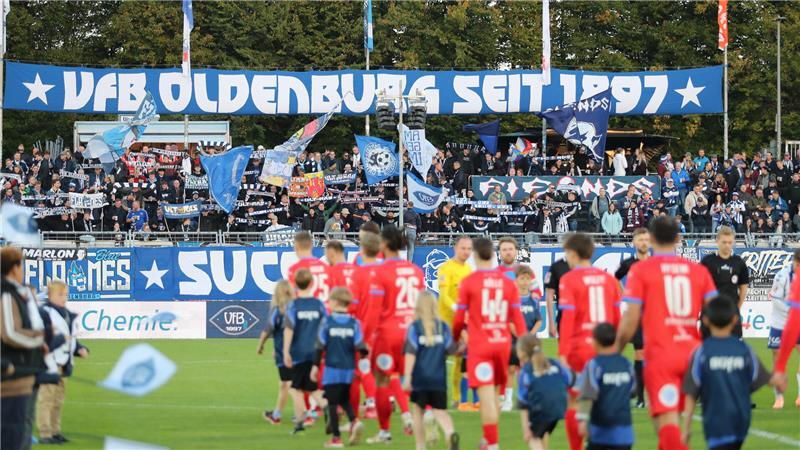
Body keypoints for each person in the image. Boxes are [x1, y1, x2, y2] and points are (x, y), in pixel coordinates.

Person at [615, 216, 717, 450]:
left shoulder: (642, 270)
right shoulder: (697, 271)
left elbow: (630, 319)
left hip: (662, 356)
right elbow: (714, 315)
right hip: (693, 355)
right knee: (682, 429)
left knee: (667, 423)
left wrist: (615, 351)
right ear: (678, 238)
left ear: (651, 238)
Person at [453, 237, 527, 450]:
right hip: (502, 343)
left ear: (475, 256)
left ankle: (492, 443)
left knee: (486, 396)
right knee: (495, 394)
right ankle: (489, 440)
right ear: (494, 256)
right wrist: (522, 342)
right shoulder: (507, 283)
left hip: (481, 346)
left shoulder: (469, 282)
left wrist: (454, 339)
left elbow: (459, 319)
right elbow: (517, 318)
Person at [557, 233, 622, 450]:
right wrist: (615, 350)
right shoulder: (609, 280)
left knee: (574, 402)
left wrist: (563, 354)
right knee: (602, 402)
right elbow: (616, 320)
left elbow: (567, 320)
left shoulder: (569, 279)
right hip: (605, 349)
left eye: (567, 252)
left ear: (573, 253)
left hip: (579, 349)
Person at [682, 297, 773, 450]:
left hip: (715, 421)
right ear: (735, 319)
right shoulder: (744, 350)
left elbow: (691, 393)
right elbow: (761, 379)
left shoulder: (701, 352)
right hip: (742, 421)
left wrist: (686, 428)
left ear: (705, 320)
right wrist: (777, 380)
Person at [366, 225, 424, 444]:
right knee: (410, 379)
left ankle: (384, 431)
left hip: (388, 334)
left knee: (382, 380)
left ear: (385, 244)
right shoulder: (416, 271)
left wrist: (365, 338)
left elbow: (373, 310)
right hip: (412, 333)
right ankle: (418, 418)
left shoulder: (380, 272)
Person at [402, 291, 460, 450]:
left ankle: (420, 446)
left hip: (420, 379)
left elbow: (410, 353)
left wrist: (407, 377)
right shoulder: (443, 327)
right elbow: (451, 350)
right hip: (439, 379)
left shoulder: (414, 328)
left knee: (418, 412)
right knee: (440, 411)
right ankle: (450, 433)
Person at [0, 247, 45, 450]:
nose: (23, 270)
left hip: (19, 373)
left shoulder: (15, 292)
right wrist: (37, 341)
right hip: (12, 376)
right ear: (14, 267)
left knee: (17, 428)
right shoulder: (6, 294)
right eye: (21, 265)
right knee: (12, 432)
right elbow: (10, 332)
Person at [313, 287, 367, 448]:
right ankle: (354, 421)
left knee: (332, 402)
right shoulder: (354, 323)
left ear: (335, 302)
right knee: (343, 398)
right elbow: (361, 347)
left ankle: (336, 438)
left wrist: (315, 366)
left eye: (330, 301)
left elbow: (319, 346)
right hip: (349, 369)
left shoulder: (327, 322)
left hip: (332, 368)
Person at [36, 281, 88, 445]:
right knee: (47, 398)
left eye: (65, 294)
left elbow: (71, 337)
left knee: (58, 399)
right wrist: (57, 341)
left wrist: (79, 348)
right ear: (50, 295)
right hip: (49, 362)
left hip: (64, 362)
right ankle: (45, 433)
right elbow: (40, 338)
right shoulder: (44, 313)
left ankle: (55, 431)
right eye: (60, 294)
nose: (64, 297)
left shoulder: (66, 313)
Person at [575, 323, 635, 450]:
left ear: (595, 342)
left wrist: (582, 420)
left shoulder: (594, 365)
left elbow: (587, 394)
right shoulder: (626, 363)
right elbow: (633, 390)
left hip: (601, 431)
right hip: (625, 431)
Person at [283, 269, 328, 434]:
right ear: (312, 284)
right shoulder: (319, 304)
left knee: (295, 389)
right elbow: (325, 327)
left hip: (299, 352)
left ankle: (300, 422)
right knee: (312, 388)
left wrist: (286, 351)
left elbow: (289, 329)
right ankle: (327, 408)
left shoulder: (293, 306)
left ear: (295, 284)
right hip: (316, 351)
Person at [516, 334, 573, 450]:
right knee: (543, 431)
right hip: (559, 406)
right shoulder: (554, 363)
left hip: (541, 406)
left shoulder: (525, 372)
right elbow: (570, 379)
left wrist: (526, 430)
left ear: (522, 352)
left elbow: (523, 403)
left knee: (533, 437)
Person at [614, 228, 650, 408]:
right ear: (635, 242)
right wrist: (625, 294)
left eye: (646, 239)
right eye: (640, 239)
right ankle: (641, 398)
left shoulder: (655, 263)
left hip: (655, 314)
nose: (643, 243)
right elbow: (616, 277)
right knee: (640, 354)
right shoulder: (629, 263)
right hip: (638, 315)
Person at [436, 236, 474, 409]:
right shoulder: (445, 268)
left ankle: (458, 399)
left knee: (460, 362)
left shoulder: (470, 270)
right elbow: (443, 296)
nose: (466, 251)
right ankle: (437, 396)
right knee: (438, 362)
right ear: (455, 248)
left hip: (462, 325)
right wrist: (459, 310)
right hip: (444, 323)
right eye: (463, 248)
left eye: (469, 248)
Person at [700, 227, 750, 338]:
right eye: (724, 242)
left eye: (730, 242)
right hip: (710, 313)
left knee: (734, 350)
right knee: (708, 349)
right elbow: (699, 287)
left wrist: (737, 308)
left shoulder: (739, 262)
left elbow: (743, 287)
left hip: (731, 313)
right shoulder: (707, 261)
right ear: (717, 241)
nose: (727, 245)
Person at [767, 249, 800, 409]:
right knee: (777, 357)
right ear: (794, 261)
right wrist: (793, 311)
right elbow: (775, 299)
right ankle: (778, 398)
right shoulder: (782, 275)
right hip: (780, 321)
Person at [257, 280, 294, 425]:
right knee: (289, 384)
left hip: (284, 354)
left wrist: (260, 345)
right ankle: (278, 413)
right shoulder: (296, 309)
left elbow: (267, 330)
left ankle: (307, 412)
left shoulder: (278, 311)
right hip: (299, 351)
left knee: (289, 385)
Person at [288, 231, 333, 304]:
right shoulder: (325, 267)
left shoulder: (295, 269)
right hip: (324, 311)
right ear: (311, 245)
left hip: (304, 311)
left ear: (296, 247)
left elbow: (293, 295)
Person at [544, 257, 571, 338]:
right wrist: (551, 323)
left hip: (584, 321)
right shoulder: (557, 266)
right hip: (564, 319)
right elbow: (549, 294)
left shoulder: (586, 265)